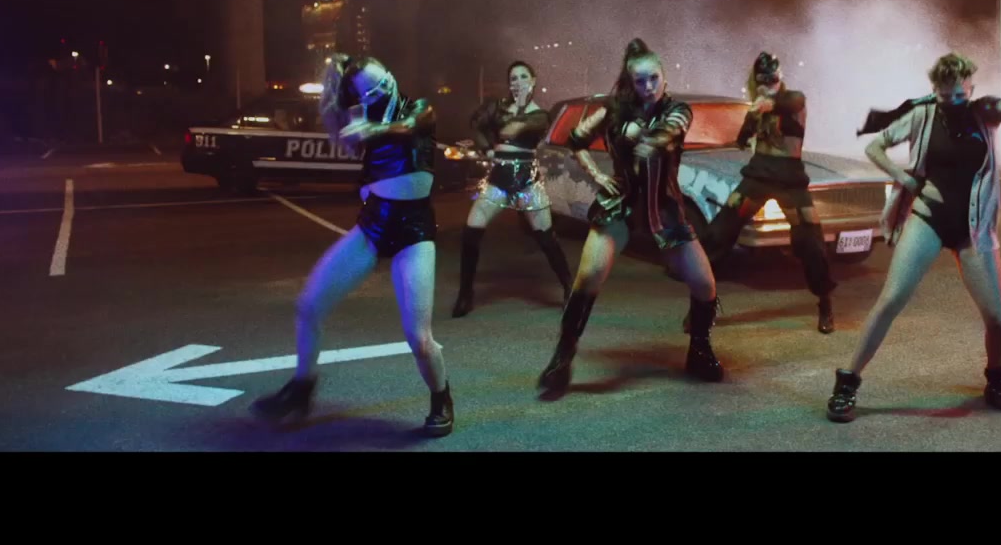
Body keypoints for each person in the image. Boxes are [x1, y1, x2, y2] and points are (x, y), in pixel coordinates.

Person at [826, 52, 1001, 423]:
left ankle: (997, 379)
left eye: (960, 94)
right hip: (929, 217)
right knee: (891, 300)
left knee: (996, 319)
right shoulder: (922, 114)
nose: (953, 101)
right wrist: (903, 177)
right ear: (935, 90)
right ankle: (847, 383)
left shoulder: (985, 112)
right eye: (946, 95)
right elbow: (874, 146)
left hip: (973, 227)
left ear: (970, 88)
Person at [250, 54, 454, 437]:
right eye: (373, 89)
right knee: (308, 306)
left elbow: (410, 127)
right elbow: (347, 130)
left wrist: (370, 129)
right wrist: (347, 113)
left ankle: (441, 397)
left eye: (385, 79)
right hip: (373, 224)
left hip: (414, 230)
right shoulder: (360, 114)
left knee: (419, 338)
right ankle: (302, 388)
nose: (385, 89)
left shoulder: (419, 108)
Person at [537, 38, 725, 394]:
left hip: (663, 208)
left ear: (664, 77)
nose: (649, 86)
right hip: (620, 204)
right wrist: (597, 176)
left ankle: (699, 350)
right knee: (588, 277)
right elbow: (576, 140)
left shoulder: (677, 109)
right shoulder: (613, 110)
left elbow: (672, 130)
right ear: (630, 81)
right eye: (640, 81)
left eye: (654, 78)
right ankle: (562, 357)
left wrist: (647, 138)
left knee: (705, 285)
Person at [697, 51, 836, 334]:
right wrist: (749, 120)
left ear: (780, 78)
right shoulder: (756, 107)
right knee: (719, 232)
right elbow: (742, 139)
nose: (768, 85)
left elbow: (793, 102)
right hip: (758, 176)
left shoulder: (793, 99)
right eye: (763, 80)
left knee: (811, 243)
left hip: (790, 180)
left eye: (772, 79)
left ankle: (825, 303)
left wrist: (767, 104)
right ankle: (701, 305)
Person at [452, 61, 573, 317]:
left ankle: (570, 289)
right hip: (499, 179)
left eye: (523, 77)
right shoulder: (497, 107)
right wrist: (487, 148)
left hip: (527, 181)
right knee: (471, 231)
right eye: (513, 79)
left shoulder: (540, 114)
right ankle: (465, 294)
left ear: (533, 80)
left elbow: (518, 127)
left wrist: (512, 115)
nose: (517, 82)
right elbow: (476, 125)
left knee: (545, 238)